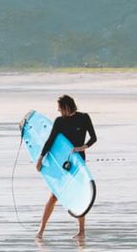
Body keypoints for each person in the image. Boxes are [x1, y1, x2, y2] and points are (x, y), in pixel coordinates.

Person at [36, 94, 97, 240]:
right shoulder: (59, 121)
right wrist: (40, 158)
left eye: (59, 108)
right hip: (62, 163)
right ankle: (41, 230)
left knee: (78, 194)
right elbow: (50, 141)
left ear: (66, 107)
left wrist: (83, 147)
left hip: (78, 164)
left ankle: (80, 231)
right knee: (54, 196)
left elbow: (93, 138)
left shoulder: (84, 118)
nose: (58, 111)